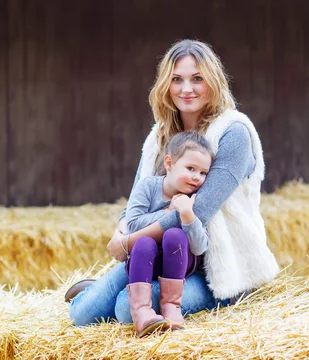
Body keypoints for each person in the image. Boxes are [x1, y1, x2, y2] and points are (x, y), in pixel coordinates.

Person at [67, 39, 279, 329]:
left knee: (125, 310)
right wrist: (121, 230)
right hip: (158, 254)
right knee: (81, 316)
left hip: (216, 268)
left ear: (213, 82)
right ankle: (98, 290)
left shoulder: (234, 133)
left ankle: (110, 290)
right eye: (177, 79)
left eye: (197, 79)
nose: (186, 89)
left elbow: (197, 213)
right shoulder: (160, 138)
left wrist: (128, 242)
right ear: (166, 85)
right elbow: (135, 202)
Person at [123, 131, 214, 337]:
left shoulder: (195, 198)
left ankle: (172, 307)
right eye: (190, 168)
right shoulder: (148, 186)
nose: (196, 177)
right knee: (145, 242)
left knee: (175, 236)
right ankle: (142, 313)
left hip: (179, 264)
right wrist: (167, 213)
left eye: (203, 173)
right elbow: (133, 225)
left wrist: (187, 214)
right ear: (169, 163)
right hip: (145, 262)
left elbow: (200, 247)